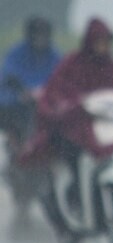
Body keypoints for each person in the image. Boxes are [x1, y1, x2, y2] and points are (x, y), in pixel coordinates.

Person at [18, 17, 113, 167]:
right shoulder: (72, 64)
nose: (103, 47)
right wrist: (69, 106)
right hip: (76, 125)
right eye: (99, 42)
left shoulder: (112, 67)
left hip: (106, 123)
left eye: (106, 42)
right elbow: (55, 93)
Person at [0, 16, 61, 210]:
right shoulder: (16, 54)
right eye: (37, 34)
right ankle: (16, 151)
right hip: (19, 105)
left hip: (46, 107)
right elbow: (7, 76)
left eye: (43, 34)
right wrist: (20, 93)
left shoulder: (55, 56)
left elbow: (63, 77)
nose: (40, 38)